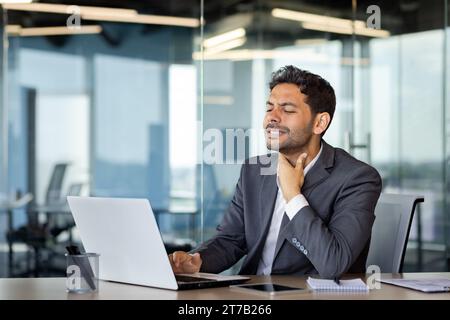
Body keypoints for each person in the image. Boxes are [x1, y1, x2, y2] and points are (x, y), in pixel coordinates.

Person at [169, 65, 382, 278]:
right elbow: (231, 240)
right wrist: (195, 261)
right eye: (269, 108)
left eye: (287, 110)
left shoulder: (357, 178)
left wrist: (293, 196)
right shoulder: (254, 171)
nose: (273, 117)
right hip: (251, 293)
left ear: (319, 123)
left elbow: (333, 263)